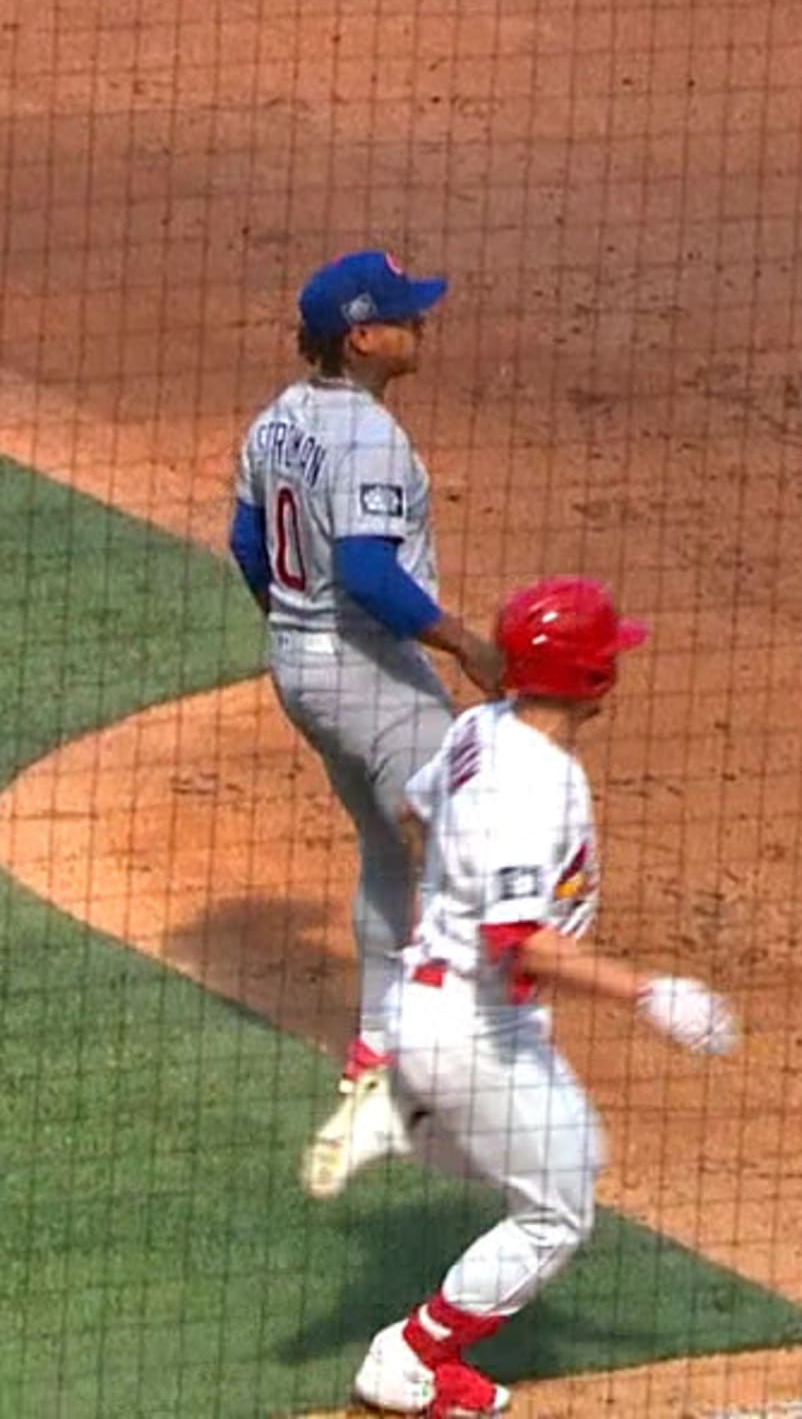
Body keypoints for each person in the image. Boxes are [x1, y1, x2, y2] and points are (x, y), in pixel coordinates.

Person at [312, 577, 740, 1417]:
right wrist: (651, 993)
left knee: (563, 1159)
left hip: (439, 1003)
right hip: (473, 1025)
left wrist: (441, 917)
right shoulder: (537, 785)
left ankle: (401, 1090)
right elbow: (523, 942)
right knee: (557, 1211)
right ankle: (410, 1359)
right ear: (589, 677)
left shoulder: (481, 727)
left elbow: (412, 812)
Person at [229, 248, 506, 1199]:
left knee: (391, 854)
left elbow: (242, 543)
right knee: (460, 852)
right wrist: (466, 642)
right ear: (363, 336)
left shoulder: (277, 420)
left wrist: (298, 637)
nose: (420, 325)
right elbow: (372, 575)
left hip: (300, 667)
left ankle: (377, 1051)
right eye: (405, 316)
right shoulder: (366, 438)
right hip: (365, 671)